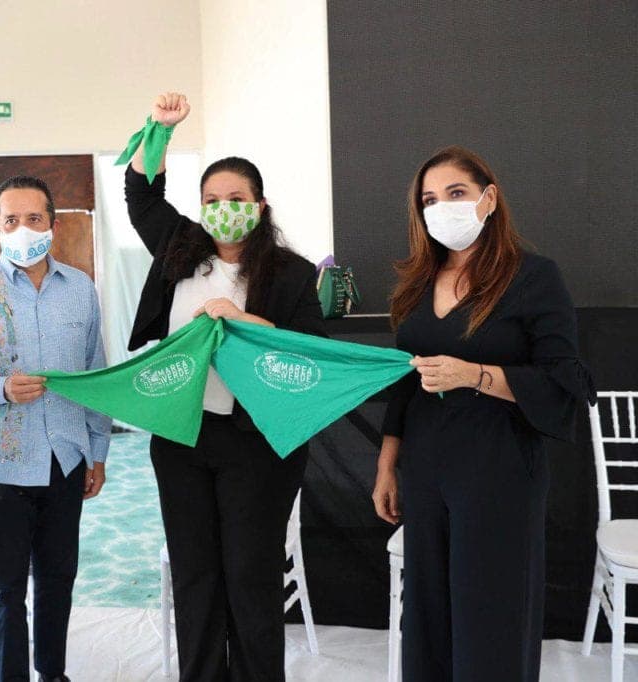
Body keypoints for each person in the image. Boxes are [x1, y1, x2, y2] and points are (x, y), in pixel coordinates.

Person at [123, 92, 326, 682]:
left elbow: (308, 351)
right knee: (196, 576)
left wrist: (247, 322)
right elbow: (141, 194)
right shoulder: (180, 247)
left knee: (251, 576)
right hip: (181, 437)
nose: (222, 209)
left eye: (235, 200)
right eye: (211, 200)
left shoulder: (289, 272)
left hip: (256, 444)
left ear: (259, 207)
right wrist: (159, 131)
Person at [371, 146, 593, 681]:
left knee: (492, 616)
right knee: (428, 615)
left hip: (499, 472)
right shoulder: (418, 285)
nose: (441, 206)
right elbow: (406, 380)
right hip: (426, 472)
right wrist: (386, 465)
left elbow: (571, 380)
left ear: (488, 199)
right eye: (429, 199)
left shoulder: (533, 277)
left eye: (456, 193)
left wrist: (475, 374)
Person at [0, 175, 111, 682]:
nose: (22, 228)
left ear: (53, 226)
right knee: (6, 588)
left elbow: (93, 374)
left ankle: (52, 673)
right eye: (11, 220)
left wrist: (98, 451)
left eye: (34, 218)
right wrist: (0, 390)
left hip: (65, 457)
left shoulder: (81, 289)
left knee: (58, 579)